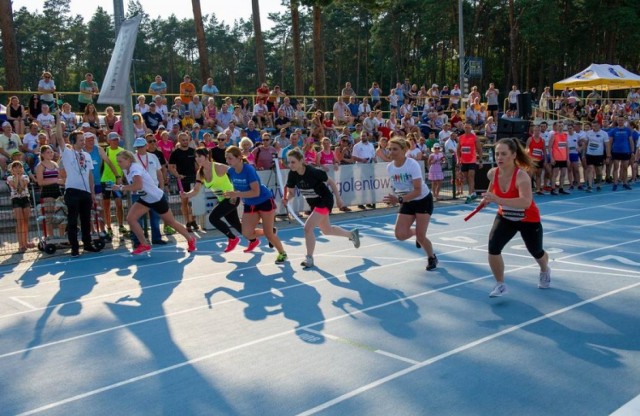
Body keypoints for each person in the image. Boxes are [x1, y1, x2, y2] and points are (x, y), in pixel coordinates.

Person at [481, 138, 550, 297]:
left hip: (528, 219)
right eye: (497, 154)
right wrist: (487, 199)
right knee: (493, 248)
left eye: (504, 154)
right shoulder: (492, 173)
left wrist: (498, 200)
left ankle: (545, 269)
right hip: (505, 217)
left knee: (536, 251)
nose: (499, 157)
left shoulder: (522, 176)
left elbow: (526, 202)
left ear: (513, 155)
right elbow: (491, 189)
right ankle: (500, 284)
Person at [283, 148, 360, 268]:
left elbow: (331, 182)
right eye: (289, 162)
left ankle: (309, 258)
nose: (290, 165)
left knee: (308, 228)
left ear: (301, 161)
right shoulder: (292, 174)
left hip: (324, 200)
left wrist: (338, 199)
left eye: (293, 162)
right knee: (327, 230)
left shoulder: (313, 172)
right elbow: (291, 192)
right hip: (314, 203)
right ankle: (351, 235)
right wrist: (287, 198)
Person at [113, 151, 196, 255]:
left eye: (120, 161)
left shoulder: (135, 168)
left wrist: (121, 187)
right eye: (117, 161)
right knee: (131, 219)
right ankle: (144, 244)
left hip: (157, 198)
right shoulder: (126, 169)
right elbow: (135, 187)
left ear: (128, 160)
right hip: (145, 199)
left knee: (171, 222)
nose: (118, 163)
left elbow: (137, 186)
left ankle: (190, 239)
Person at [382, 136, 438, 271]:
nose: (392, 152)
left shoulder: (412, 164)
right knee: (400, 235)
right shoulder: (390, 167)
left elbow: (418, 190)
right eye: (390, 149)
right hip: (407, 201)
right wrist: (395, 198)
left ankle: (431, 257)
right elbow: (400, 187)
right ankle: (416, 234)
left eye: (395, 149)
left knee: (421, 236)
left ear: (404, 150)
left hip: (422, 200)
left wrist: (400, 200)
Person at [224, 146, 287, 263]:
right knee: (246, 233)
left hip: (264, 201)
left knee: (268, 235)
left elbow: (256, 192)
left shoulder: (249, 169)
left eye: (230, 158)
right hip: (249, 203)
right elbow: (236, 187)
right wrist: (232, 197)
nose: (227, 161)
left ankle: (282, 253)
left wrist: (236, 194)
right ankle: (271, 232)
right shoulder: (230, 171)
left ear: (239, 158)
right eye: (226, 158)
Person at [181, 147, 244, 252]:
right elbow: (196, 190)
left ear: (206, 156)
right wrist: (186, 195)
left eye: (199, 156)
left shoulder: (218, 167)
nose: (197, 159)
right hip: (223, 200)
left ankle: (233, 238)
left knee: (213, 218)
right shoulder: (200, 173)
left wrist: (239, 190)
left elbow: (236, 172)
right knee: (237, 225)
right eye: (196, 157)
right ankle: (256, 238)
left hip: (232, 198)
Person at [54, 123, 102, 257]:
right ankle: (74, 247)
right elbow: (59, 138)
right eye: (81, 140)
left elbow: (90, 174)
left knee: (86, 220)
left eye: (84, 140)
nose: (83, 142)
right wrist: (58, 118)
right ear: (73, 141)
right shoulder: (68, 153)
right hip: (72, 191)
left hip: (86, 192)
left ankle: (87, 244)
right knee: (73, 220)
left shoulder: (86, 155)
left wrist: (92, 192)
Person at [130, 137, 167, 248]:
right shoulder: (132, 159)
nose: (140, 148)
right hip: (139, 192)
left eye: (142, 146)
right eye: (138, 147)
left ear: (146, 146)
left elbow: (159, 173)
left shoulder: (153, 156)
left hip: (154, 191)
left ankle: (156, 238)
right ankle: (138, 241)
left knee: (155, 216)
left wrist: (161, 188)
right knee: (137, 218)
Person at [168, 132, 198, 231]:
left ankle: (193, 220)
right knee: (184, 202)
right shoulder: (175, 153)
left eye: (186, 140)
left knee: (195, 202)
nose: (185, 142)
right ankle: (188, 222)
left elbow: (198, 165)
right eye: (183, 140)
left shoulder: (193, 151)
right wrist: (178, 175)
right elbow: (170, 167)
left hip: (194, 179)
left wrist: (199, 175)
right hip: (182, 181)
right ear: (179, 141)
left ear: (189, 140)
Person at [35, 144, 64, 238]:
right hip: (47, 193)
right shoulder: (40, 166)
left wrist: (61, 181)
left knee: (62, 216)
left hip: (58, 192)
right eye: (48, 152)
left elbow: (60, 179)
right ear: (42, 154)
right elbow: (40, 182)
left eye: (51, 151)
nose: (50, 153)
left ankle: (62, 237)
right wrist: (54, 180)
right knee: (49, 217)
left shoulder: (55, 164)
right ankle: (50, 237)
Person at [6, 161, 34, 252]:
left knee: (25, 221)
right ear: (12, 169)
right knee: (20, 221)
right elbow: (15, 188)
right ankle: (21, 244)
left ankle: (25, 242)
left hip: (25, 199)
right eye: (15, 167)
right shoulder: (9, 178)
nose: (18, 169)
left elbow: (21, 188)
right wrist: (17, 177)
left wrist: (19, 177)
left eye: (19, 167)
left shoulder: (25, 177)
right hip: (16, 200)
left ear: (22, 169)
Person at [457, 122, 483, 203]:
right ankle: (473, 193)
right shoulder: (461, 137)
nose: (467, 129)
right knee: (467, 178)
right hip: (464, 161)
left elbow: (479, 149)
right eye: (466, 127)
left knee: (471, 176)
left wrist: (480, 161)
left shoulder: (475, 137)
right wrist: (458, 159)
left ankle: (469, 195)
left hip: (472, 160)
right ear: (464, 128)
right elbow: (458, 150)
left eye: (468, 127)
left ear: (471, 128)